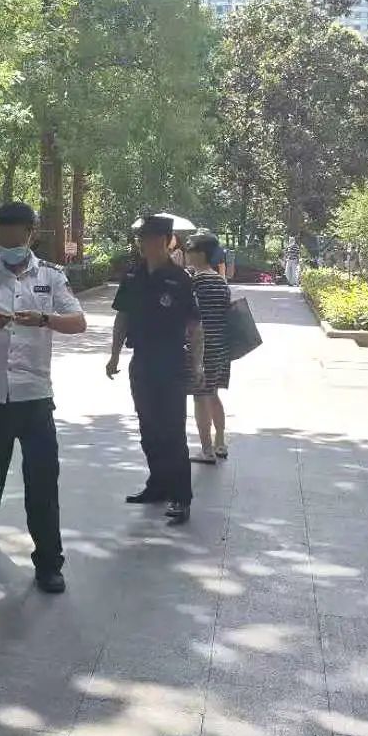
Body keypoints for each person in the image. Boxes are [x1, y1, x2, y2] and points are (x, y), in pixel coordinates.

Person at [0, 201, 87, 593]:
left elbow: (78, 322)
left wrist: (44, 319)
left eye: (15, 238)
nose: (8, 245)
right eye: (2, 237)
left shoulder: (51, 277)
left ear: (30, 235)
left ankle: (49, 563)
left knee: (43, 481)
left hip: (34, 395)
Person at [106, 214, 204, 524]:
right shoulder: (133, 275)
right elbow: (122, 317)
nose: (144, 244)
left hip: (171, 361)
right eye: (142, 238)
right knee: (148, 426)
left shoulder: (180, 279)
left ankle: (181, 496)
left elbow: (194, 326)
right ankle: (157, 484)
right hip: (142, 360)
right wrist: (114, 355)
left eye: (150, 238)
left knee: (172, 429)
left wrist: (198, 363)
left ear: (165, 241)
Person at [185, 234, 231, 464]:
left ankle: (206, 449)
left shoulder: (195, 282)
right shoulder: (220, 281)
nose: (186, 253)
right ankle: (220, 442)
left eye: (189, 249)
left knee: (200, 396)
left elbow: (192, 319)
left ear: (200, 254)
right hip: (221, 347)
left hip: (202, 347)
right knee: (213, 394)